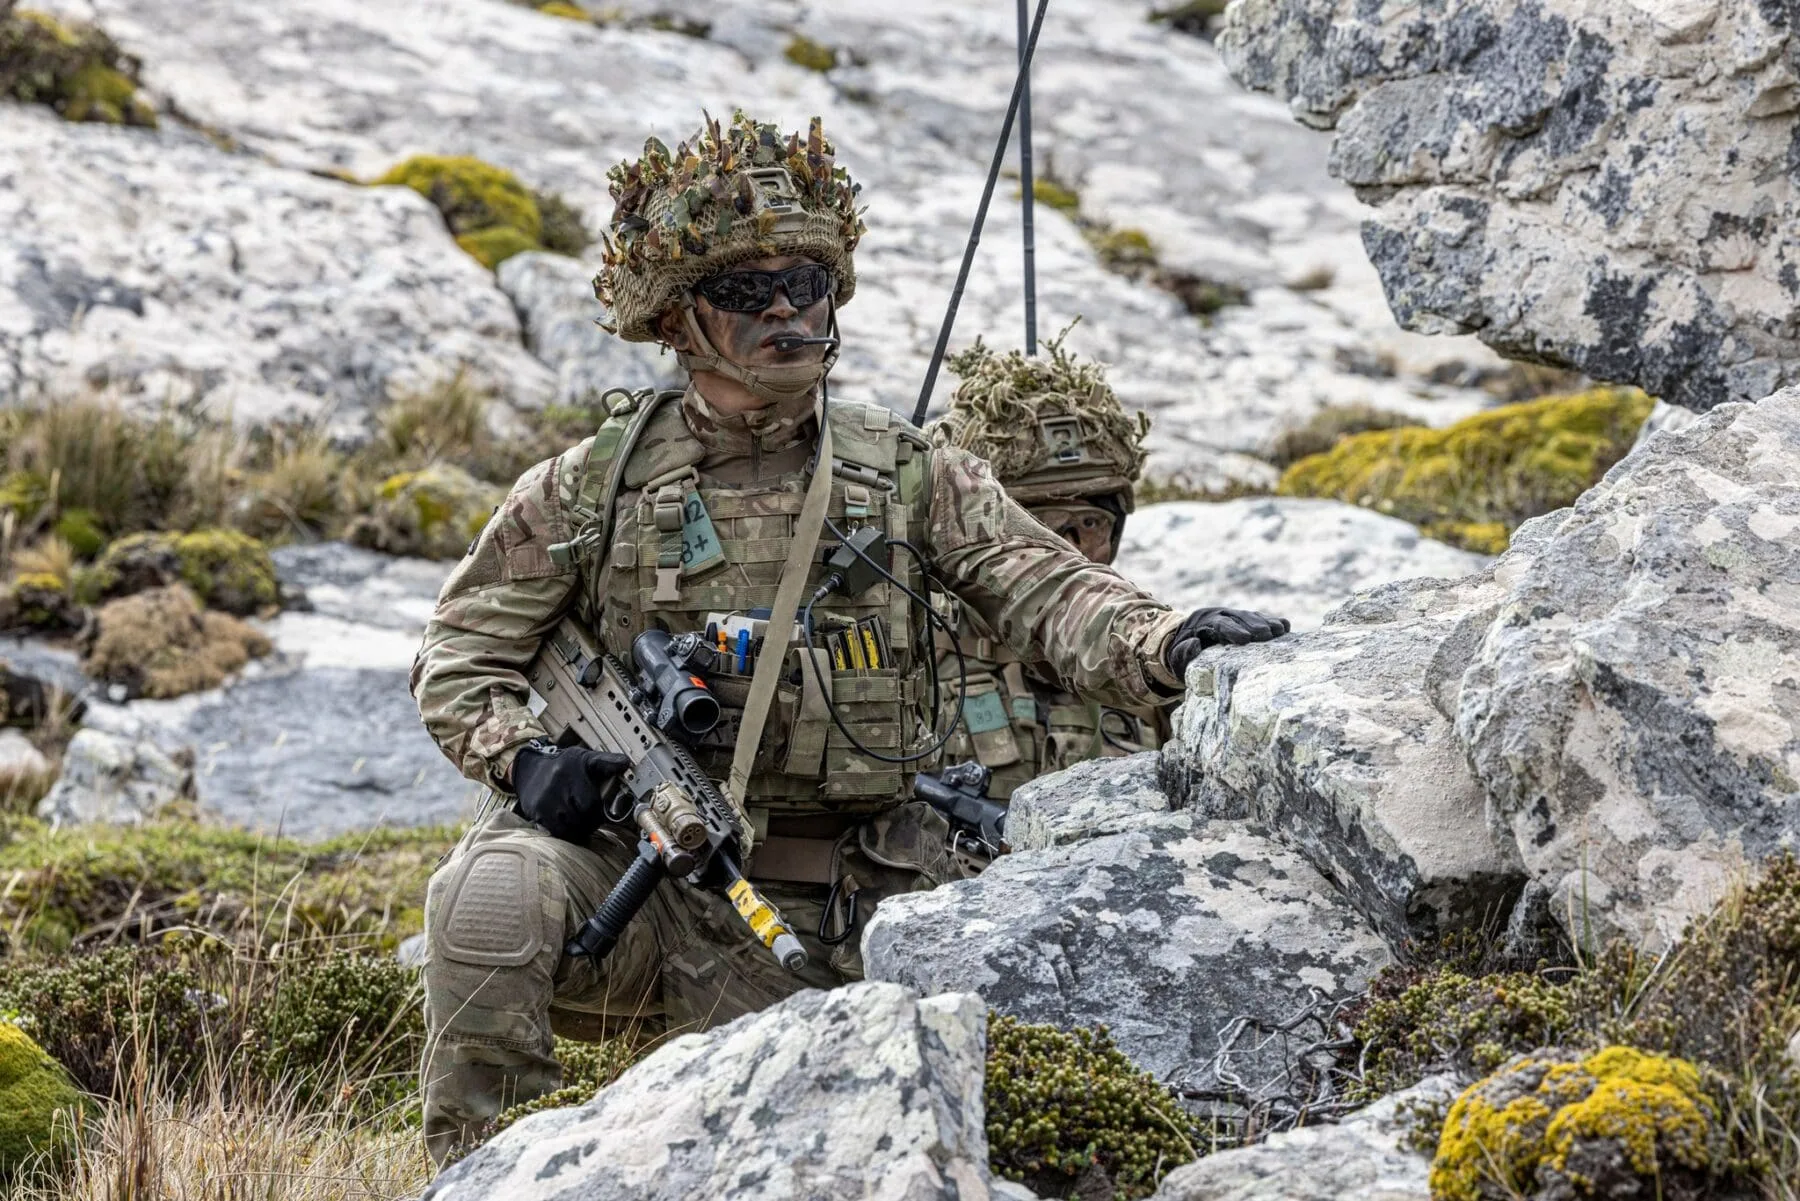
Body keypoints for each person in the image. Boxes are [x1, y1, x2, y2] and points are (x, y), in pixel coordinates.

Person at [409, 110, 1289, 1165]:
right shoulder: (589, 488)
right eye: (747, 289)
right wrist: (530, 760)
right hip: (650, 892)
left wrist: (1168, 641)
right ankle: (483, 1169)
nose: (786, 308)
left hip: (859, 907)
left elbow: (1050, 588)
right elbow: (459, 660)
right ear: (680, 319)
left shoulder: (911, 472)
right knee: (490, 890)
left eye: (808, 284)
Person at [927, 331, 1170, 802]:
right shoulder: (922, 656)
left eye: (1091, 524)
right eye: (1044, 526)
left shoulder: (1143, 657)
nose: (1071, 547)